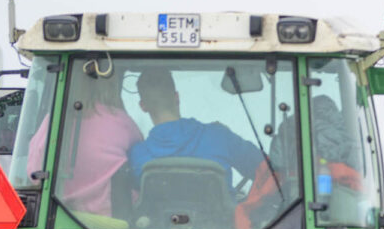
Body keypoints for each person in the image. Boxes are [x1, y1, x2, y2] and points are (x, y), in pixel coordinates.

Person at [27, 65, 142, 218]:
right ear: (111, 85)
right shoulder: (122, 121)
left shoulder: (53, 120)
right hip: (112, 221)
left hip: (59, 217)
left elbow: (34, 172)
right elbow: (139, 165)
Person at [128, 68, 263, 181]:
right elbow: (268, 173)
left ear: (143, 106)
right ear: (177, 97)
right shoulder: (219, 137)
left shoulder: (136, 157)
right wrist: (247, 208)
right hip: (217, 214)